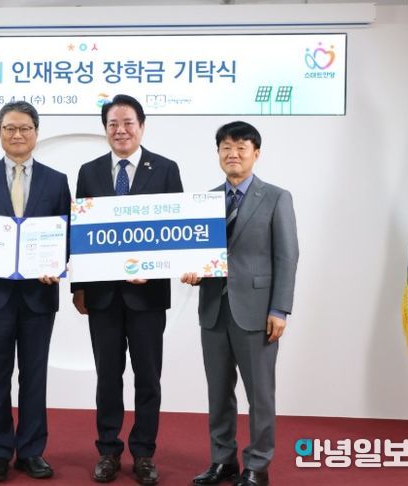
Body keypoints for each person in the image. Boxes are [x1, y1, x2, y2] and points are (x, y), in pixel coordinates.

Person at [72, 94, 183, 485]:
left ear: (142, 126)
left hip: (147, 296)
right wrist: (79, 287)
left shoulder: (165, 169)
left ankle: (144, 453)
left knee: (148, 378)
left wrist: (153, 269)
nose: (120, 130)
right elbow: (81, 233)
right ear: (105, 129)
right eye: (113, 124)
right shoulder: (89, 172)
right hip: (102, 295)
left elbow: (176, 230)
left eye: (128, 123)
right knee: (108, 376)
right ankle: (108, 450)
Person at [0, 101, 71, 483]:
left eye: (24, 128)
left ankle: (32, 451)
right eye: (9, 128)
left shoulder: (57, 181)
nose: (17, 134)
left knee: (34, 377)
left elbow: (66, 234)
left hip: (39, 295)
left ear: (36, 133)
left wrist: (57, 265)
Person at [181, 121, 299, 486]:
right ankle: (223, 460)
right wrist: (193, 272)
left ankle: (257, 465)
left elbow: (287, 256)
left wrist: (279, 309)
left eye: (241, 147)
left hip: (257, 312)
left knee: (260, 395)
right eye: (226, 148)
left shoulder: (277, 197)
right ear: (218, 153)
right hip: (214, 311)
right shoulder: (205, 201)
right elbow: (197, 254)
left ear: (255, 153)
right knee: (218, 393)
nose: (232, 154)